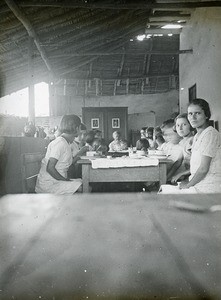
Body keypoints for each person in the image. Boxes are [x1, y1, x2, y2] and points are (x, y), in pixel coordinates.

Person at [160, 98, 221, 193]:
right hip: (198, 183)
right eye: (190, 114)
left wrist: (188, 185)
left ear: (206, 115)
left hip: (208, 186)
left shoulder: (210, 134)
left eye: (198, 113)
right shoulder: (197, 136)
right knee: (163, 189)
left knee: (164, 195)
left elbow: (203, 169)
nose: (193, 117)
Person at [35, 114, 82, 194]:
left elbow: (64, 163)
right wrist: (65, 180)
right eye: (80, 128)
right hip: (49, 185)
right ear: (77, 128)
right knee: (83, 187)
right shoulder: (60, 143)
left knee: (84, 181)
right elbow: (50, 168)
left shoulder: (66, 143)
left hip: (57, 181)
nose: (80, 130)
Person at [171, 113, 195, 183]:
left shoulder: (192, 141)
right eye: (178, 125)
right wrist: (166, 177)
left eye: (184, 124)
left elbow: (198, 166)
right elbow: (178, 162)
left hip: (195, 177)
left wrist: (180, 174)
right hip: (188, 175)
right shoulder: (182, 142)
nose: (180, 128)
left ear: (191, 125)